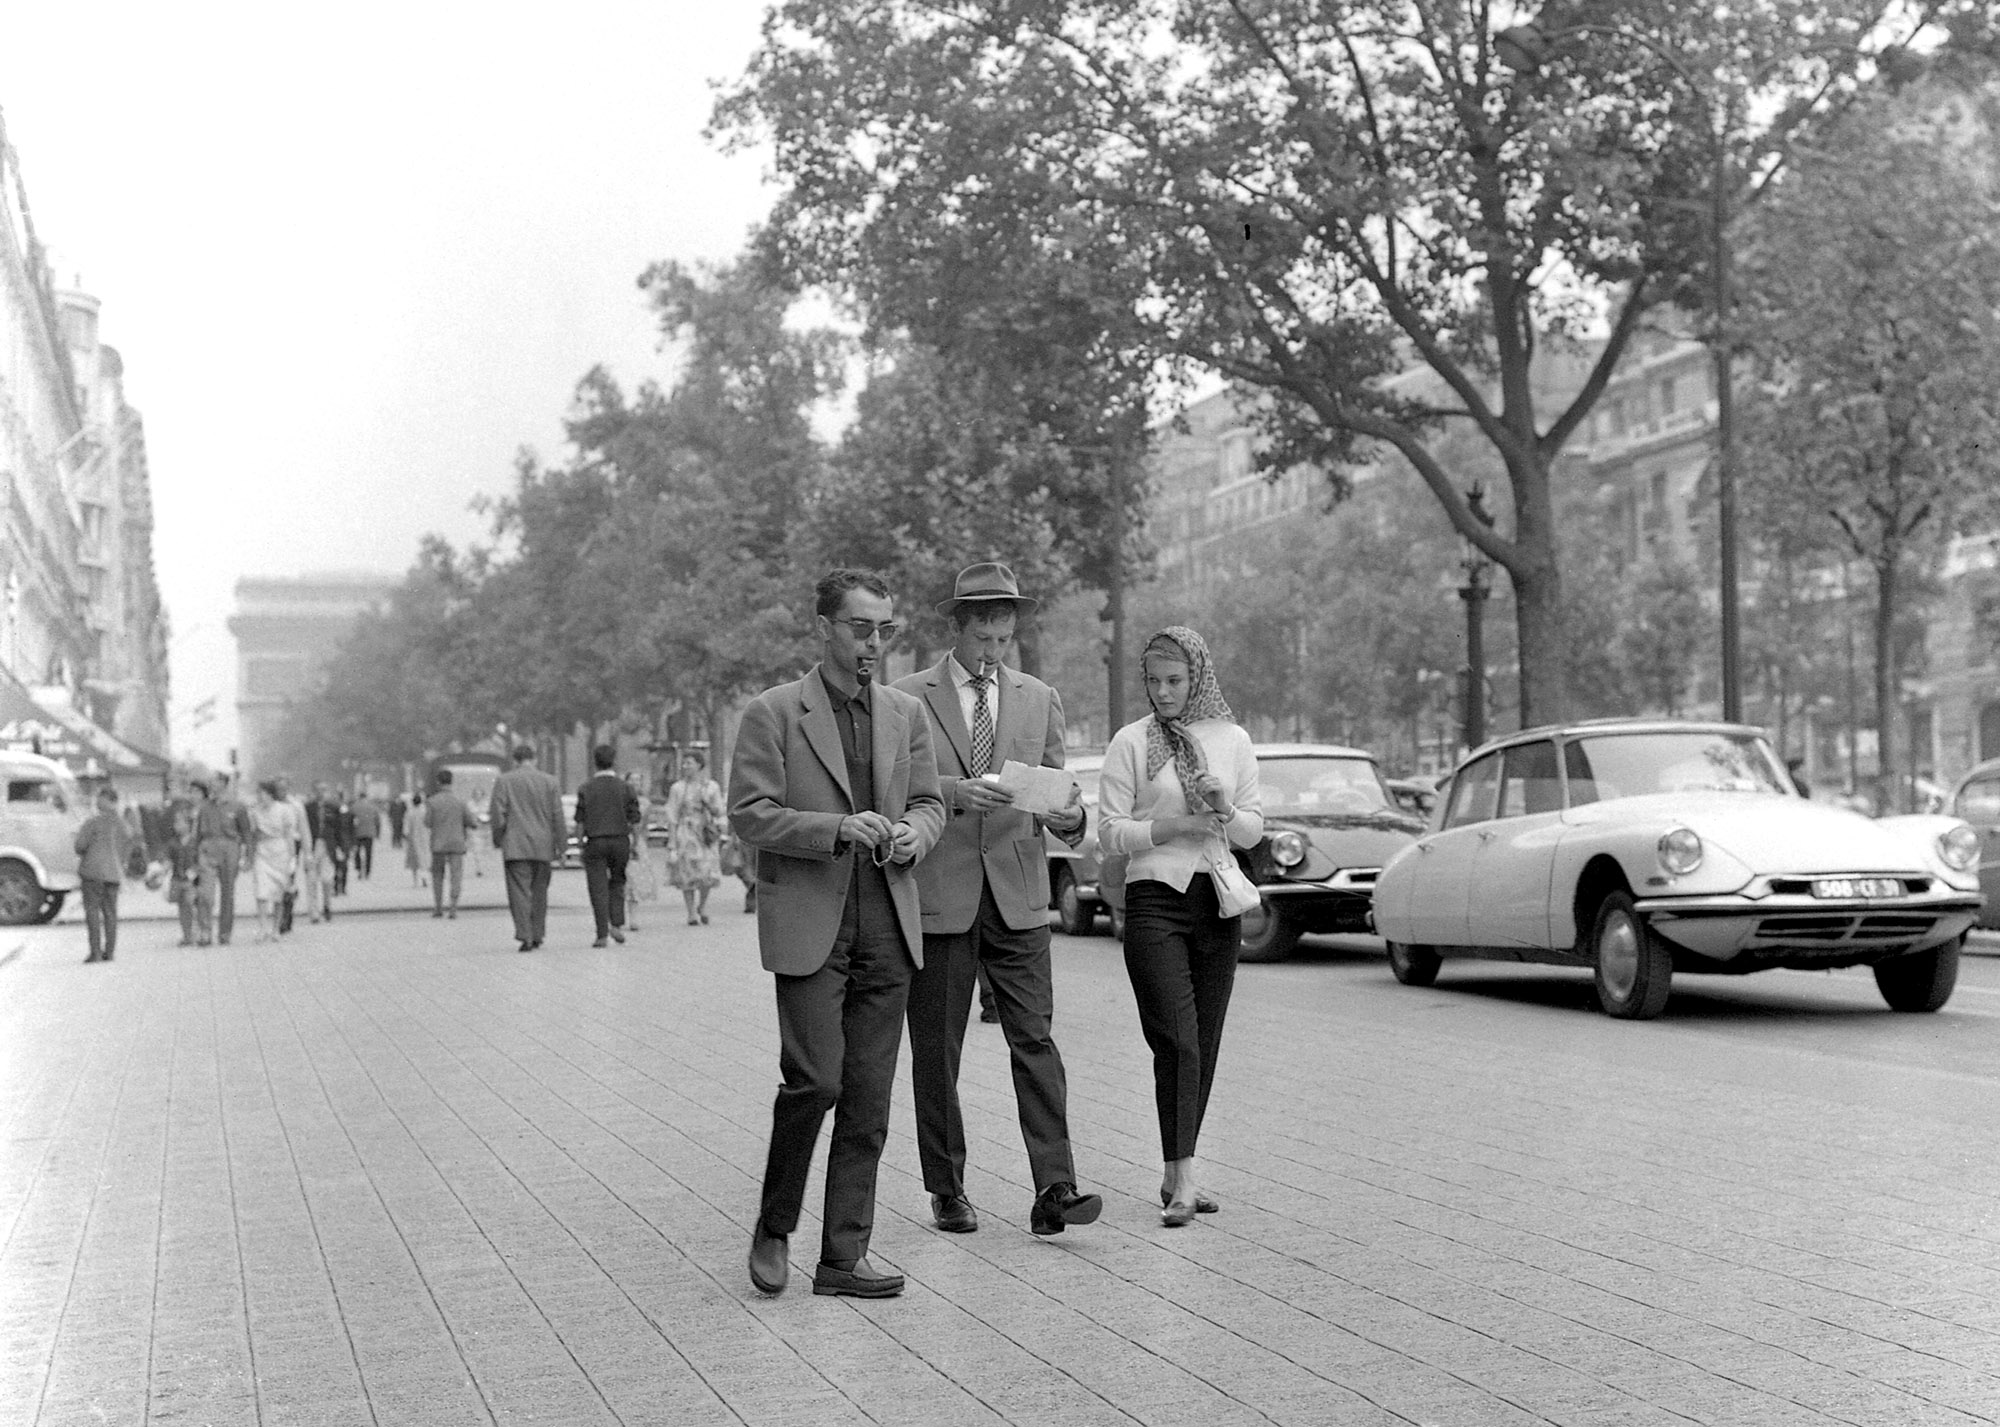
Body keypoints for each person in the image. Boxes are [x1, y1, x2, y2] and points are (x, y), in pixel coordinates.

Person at [729, 567, 945, 1300]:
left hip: (889, 922)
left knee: (869, 1097)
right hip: (810, 925)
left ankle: (843, 1258)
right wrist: (834, 828)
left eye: (885, 629)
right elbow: (749, 813)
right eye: (861, 627)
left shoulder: (903, 713)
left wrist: (915, 832)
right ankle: (774, 1223)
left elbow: (928, 800)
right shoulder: (773, 713)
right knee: (815, 1080)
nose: (874, 643)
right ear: (823, 627)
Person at [892, 561, 1100, 1238]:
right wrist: (954, 793)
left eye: (1004, 636)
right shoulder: (907, 698)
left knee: (1035, 1039)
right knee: (937, 1049)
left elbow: (1061, 795)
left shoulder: (1040, 697)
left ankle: (1056, 1186)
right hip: (940, 893)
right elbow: (893, 791)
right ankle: (946, 1188)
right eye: (983, 634)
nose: (993, 649)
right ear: (956, 627)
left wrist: (1069, 817)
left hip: (1019, 894)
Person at [1098, 626, 1263, 1228]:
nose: (1163, 692)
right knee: (1176, 1037)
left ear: (1197, 678)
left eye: (1175, 680)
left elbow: (1252, 831)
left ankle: (1176, 1170)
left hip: (1215, 900)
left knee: (1205, 1039)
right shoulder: (1131, 741)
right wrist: (1174, 824)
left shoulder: (1233, 739)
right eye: (1153, 681)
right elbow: (1110, 832)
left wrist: (1222, 810)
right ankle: (1185, 1177)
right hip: (1153, 900)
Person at [489, 744, 564, 953]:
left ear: (515, 760)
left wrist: (498, 839)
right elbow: (558, 815)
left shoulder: (504, 781)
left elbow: (497, 814)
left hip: (515, 845)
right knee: (540, 891)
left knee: (519, 892)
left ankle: (525, 935)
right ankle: (538, 933)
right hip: (543, 845)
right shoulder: (550, 781)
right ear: (535, 759)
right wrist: (562, 846)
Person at [575, 746, 640, 947]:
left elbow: (580, 820)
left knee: (597, 887)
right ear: (614, 761)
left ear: (595, 762)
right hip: (620, 841)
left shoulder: (586, 788)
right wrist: (635, 843)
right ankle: (617, 925)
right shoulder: (626, 787)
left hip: (595, 842)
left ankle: (601, 933)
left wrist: (579, 845)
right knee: (618, 882)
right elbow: (635, 819)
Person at [664, 751, 726, 927]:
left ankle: (703, 905)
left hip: (705, 831)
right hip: (686, 832)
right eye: (683, 763)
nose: (685, 767)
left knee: (707, 871)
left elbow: (720, 810)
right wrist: (672, 842)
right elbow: (672, 815)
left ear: (699, 765)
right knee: (688, 872)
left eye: (689, 763)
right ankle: (691, 911)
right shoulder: (677, 788)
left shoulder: (711, 786)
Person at [194, 774, 254, 945]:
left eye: (215, 782)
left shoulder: (238, 807)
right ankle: (205, 931)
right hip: (208, 848)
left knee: (228, 893)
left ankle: (225, 932)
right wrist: (194, 857)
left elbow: (246, 833)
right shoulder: (205, 807)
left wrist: (249, 856)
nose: (212, 786)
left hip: (230, 848)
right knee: (205, 894)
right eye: (211, 782)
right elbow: (197, 833)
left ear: (224, 784)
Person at [74, 787, 131, 964]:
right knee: (110, 913)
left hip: (92, 872)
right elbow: (128, 846)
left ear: (106, 800)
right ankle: (110, 952)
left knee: (92, 913)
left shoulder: (92, 823)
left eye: (99, 798)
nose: (97, 801)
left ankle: (95, 953)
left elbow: (79, 846)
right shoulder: (123, 825)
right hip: (114, 873)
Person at [247, 780, 296, 944]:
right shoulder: (255, 812)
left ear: (269, 794)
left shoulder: (284, 810)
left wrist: (292, 858)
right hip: (262, 852)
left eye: (262, 793)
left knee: (278, 893)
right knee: (261, 892)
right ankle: (263, 928)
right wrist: (248, 856)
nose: (259, 797)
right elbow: (252, 836)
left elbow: (289, 835)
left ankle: (276, 929)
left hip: (280, 852)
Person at [425, 772, 479, 919]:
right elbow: (471, 822)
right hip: (456, 843)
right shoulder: (460, 801)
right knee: (456, 876)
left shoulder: (432, 801)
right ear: (451, 782)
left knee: (437, 876)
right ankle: (453, 908)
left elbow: (427, 822)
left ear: (438, 782)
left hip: (438, 844)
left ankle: (438, 907)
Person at [164, 801, 201, 947]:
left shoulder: (195, 842)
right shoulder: (173, 843)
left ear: (188, 824)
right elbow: (168, 861)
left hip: (191, 881)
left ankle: (194, 934)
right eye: (175, 823)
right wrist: (161, 873)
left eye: (180, 822)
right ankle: (186, 935)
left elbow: (200, 860)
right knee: (182, 909)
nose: (176, 826)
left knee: (191, 906)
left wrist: (196, 871)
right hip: (177, 879)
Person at [302, 784, 341, 923]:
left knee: (327, 879)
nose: (321, 793)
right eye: (318, 790)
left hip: (328, 846)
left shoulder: (333, 807)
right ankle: (313, 912)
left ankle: (327, 905)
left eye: (323, 790)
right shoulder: (307, 808)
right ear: (314, 792)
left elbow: (339, 828)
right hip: (312, 846)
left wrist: (342, 848)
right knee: (311, 881)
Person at [351, 794, 381, 879]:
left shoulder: (354, 807)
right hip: (369, 833)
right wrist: (378, 833)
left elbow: (349, 820)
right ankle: (367, 872)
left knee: (357, 852)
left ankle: (359, 869)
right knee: (368, 853)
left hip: (357, 833)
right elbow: (377, 821)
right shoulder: (372, 807)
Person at [404, 790, 430, 886]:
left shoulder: (409, 812)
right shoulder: (425, 811)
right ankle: (424, 877)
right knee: (424, 858)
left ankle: (415, 881)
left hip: (413, 838)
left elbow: (406, 828)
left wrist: (406, 837)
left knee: (414, 861)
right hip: (425, 837)